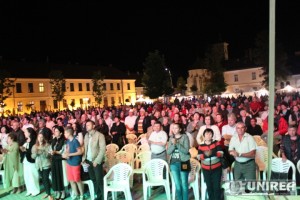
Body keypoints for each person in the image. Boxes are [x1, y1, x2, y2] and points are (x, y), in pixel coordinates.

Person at [82, 120, 106, 200]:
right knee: (93, 179)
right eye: (86, 125)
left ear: (93, 126)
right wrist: (83, 159)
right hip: (88, 161)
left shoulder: (100, 135)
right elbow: (85, 148)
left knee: (99, 179)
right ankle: (98, 196)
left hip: (96, 161)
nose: (87, 126)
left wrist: (97, 161)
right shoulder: (86, 136)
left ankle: (103, 196)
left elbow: (102, 149)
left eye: (88, 125)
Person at [197, 128, 223, 200]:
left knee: (216, 187)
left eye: (210, 134)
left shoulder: (216, 143)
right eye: (207, 134)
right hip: (206, 169)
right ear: (204, 135)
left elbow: (221, 153)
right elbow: (199, 157)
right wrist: (205, 155)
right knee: (209, 186)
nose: (208, 135)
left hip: (217, 168)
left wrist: (212, 153)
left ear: (212, 135)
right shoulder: (201, 145)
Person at [167, 123, 190, 200]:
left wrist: (177, 143)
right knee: (177, 184)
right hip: (173, 163)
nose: (174, 129)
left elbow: (186, 151)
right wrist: (173, 144)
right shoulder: (171, 138)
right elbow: (168, 152)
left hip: (184, 162)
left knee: (184, 184)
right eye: (173, 128)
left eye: (176, 128)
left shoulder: (185, 137)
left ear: (180, 129)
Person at [63, 127, 84, 200]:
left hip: (75, 162)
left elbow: (80, 152)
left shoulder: (75, 141)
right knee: (71, 180)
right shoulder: (68, 141)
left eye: (65, 133)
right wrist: (65, 154)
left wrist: (70, 154)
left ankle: (82, 195)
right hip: (69, 162)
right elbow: (68, 150)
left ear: (69, 133)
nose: (64, 134)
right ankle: (76, 194)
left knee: (77, 180)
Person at [31, 133, 53, 200]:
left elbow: (49, 155)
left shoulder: (47, 145)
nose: (40, 138)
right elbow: (32, 157)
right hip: (38, 165)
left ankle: (49, 194)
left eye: (42, 137)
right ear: (37, 138)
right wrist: (35, 153)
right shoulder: (34, 146)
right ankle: (47, 193)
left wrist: (42, 152)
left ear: (44, 138)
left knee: (46, 179)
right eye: (39, 137)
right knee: (43, 179)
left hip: (46, 164)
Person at [21, 127, 40, 197]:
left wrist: (25, 150)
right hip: (25, 160)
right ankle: (29, 190)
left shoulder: (34, 140)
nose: (24, 133)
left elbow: (33, 151)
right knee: (27, 176)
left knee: (33, 175)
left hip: (32, 160)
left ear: (29, 133)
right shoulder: (26, 140)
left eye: (25, 132)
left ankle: (35, 190)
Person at [50, 126, 67, 199]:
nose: (55, 132)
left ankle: (63, 191)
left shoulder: (64, 140)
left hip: (60, 160)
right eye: (54, 131)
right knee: (55, 176)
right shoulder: (54, 140)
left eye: (56, 131)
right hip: (54, 159)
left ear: (61, 133)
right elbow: (51, 148)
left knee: (60, 176)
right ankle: (57, 191)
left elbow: (64, 151)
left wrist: (55, 152)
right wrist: (51, 152)